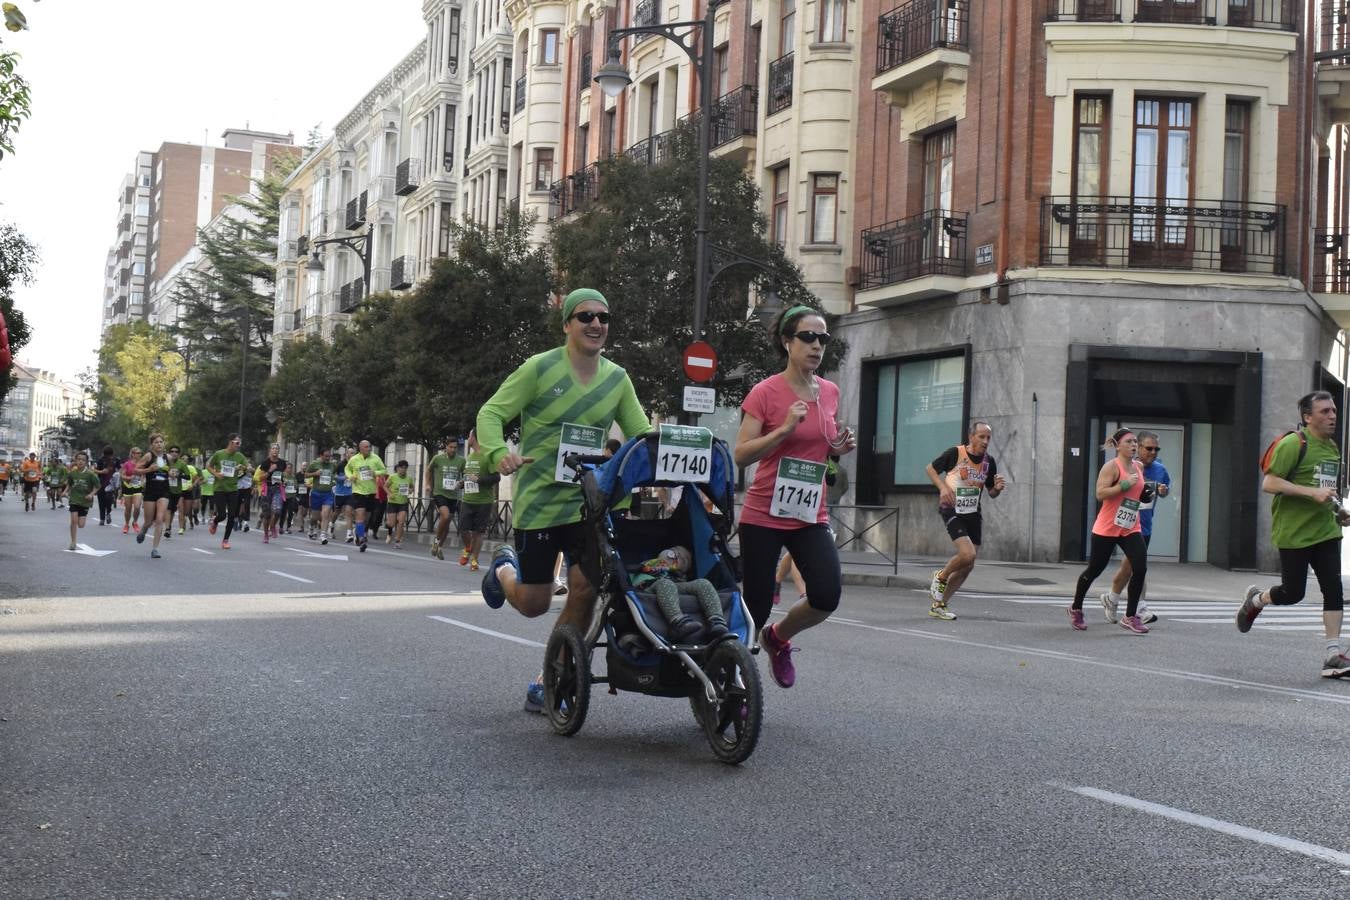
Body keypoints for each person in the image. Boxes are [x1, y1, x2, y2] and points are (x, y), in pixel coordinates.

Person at [477, 287, 649, 713]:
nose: (596, 324)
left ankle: (550, 675)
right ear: (567, 324)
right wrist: (500, 454)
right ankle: (502, 570)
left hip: (589, 503)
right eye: (586, 316)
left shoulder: (617, 378)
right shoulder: (540, 368)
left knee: (586, 588)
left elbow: (642, 433)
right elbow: (491, 414)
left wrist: (662, 472)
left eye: (603, 317)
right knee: (534, 604)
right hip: (539, 500)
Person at [734, 305, 856, 690]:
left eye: (822, 338)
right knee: (755, 605)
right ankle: (737, 684)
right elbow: (742, 453)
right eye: (808, 337)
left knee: (825, 594)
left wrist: (838, 446)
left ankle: (778, 637)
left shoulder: (831, 392)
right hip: (763, 512)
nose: (817, 345)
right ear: (787, 342)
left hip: (808, 512)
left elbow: (821, 446)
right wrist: (784, 429)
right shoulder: (765, 392)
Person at [1236, 391, 1350, 678]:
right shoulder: (1293, 444)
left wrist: (1339, 511)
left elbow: (1325, 489)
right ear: (1307, 417)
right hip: (1294, 532)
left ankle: (1332, 655)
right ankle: (1256, 600)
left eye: (1333, 411)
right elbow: (1270, 482)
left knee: (1333, 588)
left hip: (1326, 530)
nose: (1332, 416)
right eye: (1324, 412)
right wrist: (1311, 493)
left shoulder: (1332, 449)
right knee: (1292, 593)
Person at [1066, 428, 1150, 634]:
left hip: (1130, 525)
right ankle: (1076, 608)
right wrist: (1123, 484)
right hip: (1107, 526)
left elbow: (1138, 495)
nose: (1133, 446)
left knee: (1140, 567)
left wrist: (1147, 494)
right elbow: (1100, 493)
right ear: (1118, 446)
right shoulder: (1111, 467)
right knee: (1095, 569)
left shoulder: (1138, 466)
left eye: (1135, 443)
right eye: (1129, 442)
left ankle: (1130, 616)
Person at [924, 421, 1008, 620]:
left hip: (973, 513)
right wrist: (943, 488)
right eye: (981, 436)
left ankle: (939, 605)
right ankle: (941, 576)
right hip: (952, 509)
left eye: (988, 438)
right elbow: (930, 469)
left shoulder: (989, 462)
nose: (985, 441)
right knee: (967, 553)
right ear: (971, 437)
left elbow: (991, 492)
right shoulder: (955, 453)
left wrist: (997, 488)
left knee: (968, 565)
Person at [1100, 430, 1169, 626]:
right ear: (1137, 447)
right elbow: (1106, 490)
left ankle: (1113, 599)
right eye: (1148, 448)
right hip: (1119, 522)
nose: (1153, 452)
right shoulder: (1126, 466)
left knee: (1132, 566)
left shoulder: (1160, 469)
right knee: (1133, 565)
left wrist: (1163, 491)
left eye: (1156, 449)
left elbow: (1164, 490)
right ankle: (1138, 607)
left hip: (1143, 524)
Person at [631, 545, 729, 642]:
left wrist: (679, 573)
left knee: (703, 583)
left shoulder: (679, 576)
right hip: (648, 588)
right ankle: (677, 623)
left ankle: (717, 620)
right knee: (665, 583)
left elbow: (681, 583)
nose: (677, 556)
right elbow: (633, 575)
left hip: (672, 587)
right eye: (674, 551)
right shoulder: (648, 565)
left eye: (684, 559)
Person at [457, 429, 500, 571]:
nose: (467, 439)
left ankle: (474, 560)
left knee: (479, 532)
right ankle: (468, 547)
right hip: (468, 499)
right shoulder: (469, 457)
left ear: (474, 438)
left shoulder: (488, 456)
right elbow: (468, 477)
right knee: (463, 529)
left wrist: (479, 479)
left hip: (483, 501)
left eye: (469, 436)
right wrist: (462, 483)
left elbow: (497, 477)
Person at [207, 434, 250, 550]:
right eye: (237, 443)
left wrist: (246, 467)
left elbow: (249, 467)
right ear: (230, 442)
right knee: (222, 515)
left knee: (232, 515)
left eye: (240, 443)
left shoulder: (239, 456)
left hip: (233, 489)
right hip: (219, 488)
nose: (238, 445)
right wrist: (216, 474)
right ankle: (215, 522)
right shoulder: (219, 454)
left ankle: (225, 540)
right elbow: (208, 466)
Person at [427, 436, 466, 561]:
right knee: (445, 515)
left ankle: (439, 547)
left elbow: (465, 476)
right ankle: (436, 541)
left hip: (453, 495)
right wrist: (427, 484)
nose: (453, 450)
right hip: (440, 493)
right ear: (446, 446)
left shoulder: (461, 460)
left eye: (455, 447)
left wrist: (461, 482)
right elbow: (428, 470)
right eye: (451, 447)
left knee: (447, 522)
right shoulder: (438, 458)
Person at [133, 434, 172, 558]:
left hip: (164, 491)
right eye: (156, 442)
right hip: (150, 491)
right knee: (148, 521)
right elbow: (135, 470)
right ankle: (143, 530)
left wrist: (172, 473)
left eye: (161, 442)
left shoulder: (168, 457)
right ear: (152, 445)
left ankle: (155, 549)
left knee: (160, 519)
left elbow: (171, 470)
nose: (159, 444)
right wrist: (149, 470)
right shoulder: (148, 456)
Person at [344, 439, 386, 552]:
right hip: (358, 491)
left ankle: (358, 532)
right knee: (360, 514)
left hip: (371, 491)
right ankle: (362, 539)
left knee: (366, 518)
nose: (369, 449)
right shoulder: (354, 459)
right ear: (361, 448)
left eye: (369, 446)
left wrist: (375, 473)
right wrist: (350, 476)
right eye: (366, 447)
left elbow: (384, 470)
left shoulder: (376, 458)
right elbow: (347, 469)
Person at [60, 451, 100, 550]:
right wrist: (65, 492)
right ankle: (73, 542)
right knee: (73, 520)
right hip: (74, 499)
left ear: (86, 462)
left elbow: (98, 486)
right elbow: (69, 484)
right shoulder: (72, 473)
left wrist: (91, 494)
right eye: (78, 459)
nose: (80, 461)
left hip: (85, 501)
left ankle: (75, 537)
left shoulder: (90, 474)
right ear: (75, 461)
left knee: (81, 525)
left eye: (83, 460)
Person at [305, 448, 338, 544]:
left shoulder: (332, 465)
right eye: (326, 456)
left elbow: (335, 474)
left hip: (327, 494)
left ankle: (323, 534)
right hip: (316, 493)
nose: (328, 458)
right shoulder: (314, 464)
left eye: (329, 456)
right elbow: (306, 475)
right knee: (314, 517)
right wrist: (315, 473)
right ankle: (311, 527)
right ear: (321, 455)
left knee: (326, 513)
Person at [257, 444, 288, 544]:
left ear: (279, 451)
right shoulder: (265, 462)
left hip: (277, 489)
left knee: (278, 510)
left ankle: (273, 526)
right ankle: (266, 535)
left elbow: (282, 475)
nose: (275, 450)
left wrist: (284, 481)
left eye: (277, 449)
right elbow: (260, 478)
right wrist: (270, 470)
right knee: (267, 515)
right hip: (267, 489)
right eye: (273, 448)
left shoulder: (282, 463)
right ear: (270, 450)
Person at [162, 444, 189, 541]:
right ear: (169, 453)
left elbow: (188, 477)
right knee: (168, 509)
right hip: (166, 489)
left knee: (172, 510)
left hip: (177, 490)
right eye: (172, 451)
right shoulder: (165, 463)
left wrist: (179, 475)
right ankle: (167, 528)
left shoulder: (182, 464)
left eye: (176, 452)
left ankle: (168, 527)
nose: (174, 453)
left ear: (179, 454)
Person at [384, 460, 413, 548]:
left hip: (403, 503)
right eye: (402, 468)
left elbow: (412, 487)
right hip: (393, 503)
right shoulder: (392, 477)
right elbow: (385, 486)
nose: (403, 470)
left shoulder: (409, 478)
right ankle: (389, 531)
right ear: (398, 468)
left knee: (401, 522)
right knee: (391, 524)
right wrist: (389, 494)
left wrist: (411, 490)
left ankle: (397, 541)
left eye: (405, 468)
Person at [118, 447, 143, 532]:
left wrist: (143, 481)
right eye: (137, 453)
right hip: (128, 487)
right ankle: (126, 524)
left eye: (140, 453)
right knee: (128, 508)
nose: (139, 454)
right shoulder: (127, 464)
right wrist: (129, 477)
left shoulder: (142, 464)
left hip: (138, 487)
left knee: (137, 506)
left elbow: (144, 475)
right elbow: (122, 475)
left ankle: (135, 522)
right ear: (132, 454)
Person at [334, 449, 355, 541]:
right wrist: (343, 478)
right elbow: (333, 476)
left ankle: (349, 534)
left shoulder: (355, 464)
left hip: (350, 492)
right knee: (337, 512)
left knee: (348, 512)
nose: (353, 454)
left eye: (354, 453)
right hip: (339, 492)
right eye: (351, 453)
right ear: (346, 454)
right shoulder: (340, 465)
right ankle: (331, 524)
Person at [93, 447, 117, 526]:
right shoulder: (100, 460)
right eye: (107, 455)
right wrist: (102, 471)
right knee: (101, 501)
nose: (108, 457)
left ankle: (108, 513)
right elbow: (95, 470)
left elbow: (120, 469)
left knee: (109, 499)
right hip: (101, 483)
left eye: (109, 455)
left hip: (111, 484)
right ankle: (102, 519)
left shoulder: (115, 460)